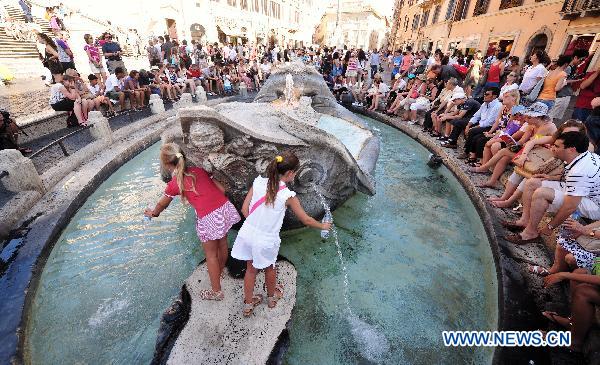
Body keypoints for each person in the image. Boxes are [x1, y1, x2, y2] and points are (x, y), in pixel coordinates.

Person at [231, 152, 331, 316]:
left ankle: (248, 304)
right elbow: (306, 220)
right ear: (290, 173)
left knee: (250, 269)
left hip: (247, 233)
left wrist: (256, 225)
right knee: (270, 268)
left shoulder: (257, 182)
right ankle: (271, 299)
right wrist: (323, 226)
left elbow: (244, 209)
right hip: (266, 239)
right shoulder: (287, 196)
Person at [145, 143, 241, 300]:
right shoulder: (199, 171)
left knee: (210, 255)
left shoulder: (174, 184)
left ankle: (216, 292)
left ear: (167, 165)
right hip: (224, 208)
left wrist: (153, 213)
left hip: (209, 217)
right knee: (222, 244)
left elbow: (162, 204)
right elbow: (222, 190)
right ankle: (221, 271)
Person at [505, 130, 600, 244]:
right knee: (532, 183)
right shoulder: (583, 155)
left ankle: (530, 233)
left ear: (571, 150)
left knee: (541, 193)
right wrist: (550, 177)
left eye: (556, 146)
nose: (552, 148)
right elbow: (571, 179)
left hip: (594, 205)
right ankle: (525, 221)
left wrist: (550, 226)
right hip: (584, 192)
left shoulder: (580, 172)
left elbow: (570, 206)